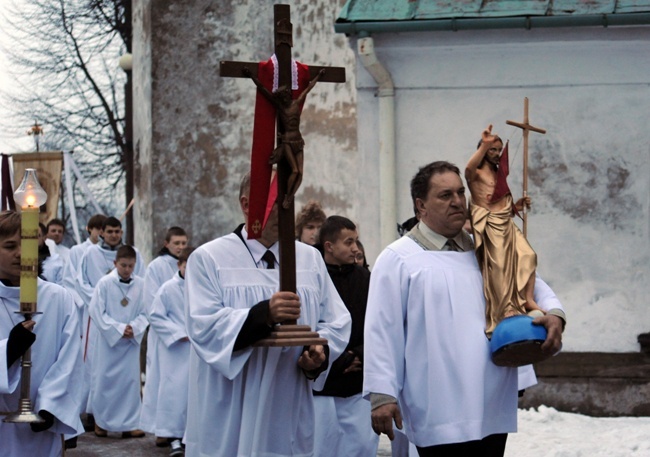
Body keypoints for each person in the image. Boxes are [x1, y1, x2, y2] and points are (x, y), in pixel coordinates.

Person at [365, 161, 566, 456]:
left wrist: (554, 313)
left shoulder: (487, 249)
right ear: (420, 206)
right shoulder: (398, 259)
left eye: (461, 192)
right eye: (445, 195)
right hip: (437, 405)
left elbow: (530, 285)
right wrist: (382, 394)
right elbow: (382, 330)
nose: (458, 201)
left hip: (492, 396)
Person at [183, 172, 351, 456]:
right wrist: (264, 314)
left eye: (287, 203)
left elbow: (336, 320)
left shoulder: (309, 258)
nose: (282, 212)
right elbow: (204, 326)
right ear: (247, 204)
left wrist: (318, 353)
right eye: (274, 203)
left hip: (289, 400)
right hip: (232, 404)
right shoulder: (209, 258)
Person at [0, 211, 85, 456]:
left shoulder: (58, 298)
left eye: (27, 245)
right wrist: (8, 351)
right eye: (9, 246)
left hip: (42, 425)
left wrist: (51, 407)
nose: (20, 253)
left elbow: (69, 358)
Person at [465, 125, 542, 334]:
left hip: (506, 224)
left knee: (528, 256)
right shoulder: (477, 173)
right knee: (498, 269)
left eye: (498, 150)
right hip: (490, 226)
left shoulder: (499, 174)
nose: (497, 154)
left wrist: (516, 205)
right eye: (492, 150)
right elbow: (468, 170)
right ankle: (505, 309)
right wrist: (484, 146)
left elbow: (500, 204)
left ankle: (528, 299)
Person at [313, 216, 378, 457]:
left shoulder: (366, 280)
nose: (354, 248)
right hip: (322, 384)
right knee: (321, 449)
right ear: (329, 246)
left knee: (361, 448)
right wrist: (335, 359)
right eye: (348, 242)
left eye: (356, 241)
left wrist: (358, 354)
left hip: (357, 383)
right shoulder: (313, 278)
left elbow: (378, 324)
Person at [76, 216, 145, 419]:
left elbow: (140, 284)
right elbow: (81, 283)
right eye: (110, 231)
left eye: (118, 231)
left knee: (128, 374)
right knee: (97, 366)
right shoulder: (91, 253)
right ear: (102, 233)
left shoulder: (134, 254)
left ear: (121, 233)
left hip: (129, 319)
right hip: (100, 318)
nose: (114, 235)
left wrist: (132, 323)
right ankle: (93, 411)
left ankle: (127, 417)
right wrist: (103, 300)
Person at [88, 245, 147, 438]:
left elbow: (147, 312)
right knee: (105, 380)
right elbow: (96, 311)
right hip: (109, 341)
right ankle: (101, 422)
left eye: (131, 266)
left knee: (129, 383)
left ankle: (129, 424)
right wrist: (120, 328)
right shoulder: (104, 283)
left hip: (129, 343)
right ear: (115, 263)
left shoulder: (141, 284)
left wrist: (135, 327)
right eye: (123, 265)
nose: (127, 269)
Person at [139, 226, 188, 446]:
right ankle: (162, 429)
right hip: (165, 337)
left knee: (181, 386)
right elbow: (152, 305)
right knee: (162, 383)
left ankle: (178, 429)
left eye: (184, 243)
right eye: (176, 243)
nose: (180, 247)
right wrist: (175, 332)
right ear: (166, 243)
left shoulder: (193, 267)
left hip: (187, 338)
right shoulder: (156, 267)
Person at [148, 246, 194, 457]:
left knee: (193, 393)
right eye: (187, 266)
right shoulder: (167, 288)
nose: (190, 271)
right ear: (179, 265)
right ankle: (173, 436)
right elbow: (155, 315)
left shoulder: (203, 287)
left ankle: (190, 436)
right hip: (175, 349)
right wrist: (178, 333)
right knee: (174, 393)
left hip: (196, 349)